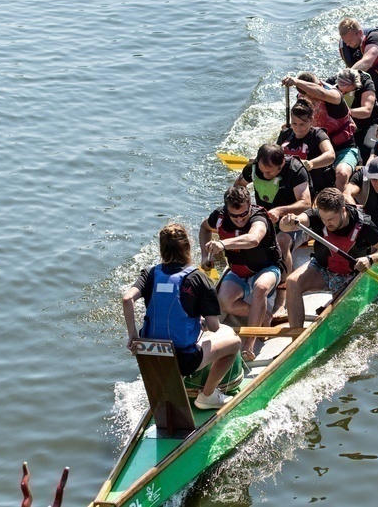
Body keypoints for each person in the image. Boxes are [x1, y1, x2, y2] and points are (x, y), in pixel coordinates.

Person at [122, 223, 241, 410]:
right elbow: (214, 326)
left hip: (150, 355)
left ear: (162, 249)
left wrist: (133, 336)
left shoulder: (150, 274)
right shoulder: (199, 278)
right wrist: (202, 323)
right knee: (234, 343)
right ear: (188, 247)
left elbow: (127, 299)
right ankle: (207, 396)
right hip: (184, 361)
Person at [279, 188, 378, 328]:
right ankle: (295, 335)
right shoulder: (316, 215)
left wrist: (371, 259)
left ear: (343, 210)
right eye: (323, 219)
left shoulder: (363, 225)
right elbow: (286, 227)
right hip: (322, 267)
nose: (327, 223)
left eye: (331, 219)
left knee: (335, 314)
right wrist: (287, 221)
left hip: (350, 275)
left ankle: (332, 309)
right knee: (292, 282)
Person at [199, 186, 283, 361]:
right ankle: (264, 315)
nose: (239, 219)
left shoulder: (259, 217)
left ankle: (249, 345)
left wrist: (223, 244)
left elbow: (253, 239)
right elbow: (204, 227)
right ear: (226, 209)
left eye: (243, 214)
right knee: (223, 301)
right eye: (234, 216)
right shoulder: (219, 216)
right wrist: (204, 256)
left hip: (267, 269)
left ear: (249, 206)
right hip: (238, 272)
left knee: (260, 287)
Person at [236, 144, 312, 312]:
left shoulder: (295, 170)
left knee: (281, 242)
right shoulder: (253, 168)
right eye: (262, 171)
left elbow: (306, 203)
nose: (265, 175)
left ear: (281, 164)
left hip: (296, 221)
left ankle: (281, 299)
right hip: (267, 220)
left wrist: (280, 210)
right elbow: (238, 187)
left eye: (269, 172)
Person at [281, 73, 359, 191]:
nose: (310, 99)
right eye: (306, 95)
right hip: (317, 147)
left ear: (317, 86)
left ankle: (342, 200)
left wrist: (296, 81)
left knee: (342, 174)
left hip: (343, 148)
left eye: (311, 94)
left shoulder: (334, 95)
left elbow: (322, 93)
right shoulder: (303, 97)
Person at [276, 98, 336, 197]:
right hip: (291, 185)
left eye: (302, 124)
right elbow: (274, 155)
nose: (298, 129)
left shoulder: (317, 134)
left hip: (316, 186)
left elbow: (331, 155)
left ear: (311, 120)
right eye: (294, 123)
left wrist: (311, 163)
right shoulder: (285, 134)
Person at [327, 68, 378, 164]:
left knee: (368, 148)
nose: (342, 94)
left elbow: (367, 111)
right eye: (340, 90)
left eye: (347, 92)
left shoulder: (366, 83)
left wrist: (344, 111)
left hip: (367, 124)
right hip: (343, 126)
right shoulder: (330, 83)